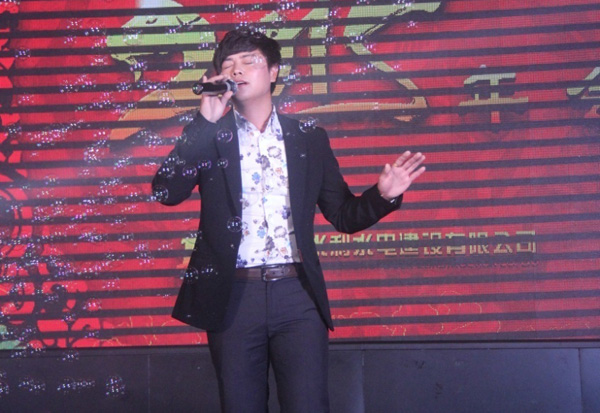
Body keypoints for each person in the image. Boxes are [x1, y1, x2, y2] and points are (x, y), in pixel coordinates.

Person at [152, 28, 426, 413]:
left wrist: (383, 195)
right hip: (233, 295)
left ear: (274, 72)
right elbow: (166, 191)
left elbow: (342, 215)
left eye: (249, 61)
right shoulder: (209, 136)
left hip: (296, 294)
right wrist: (204, 122)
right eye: (228, 64)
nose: (237, 70)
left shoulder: (307, 138)